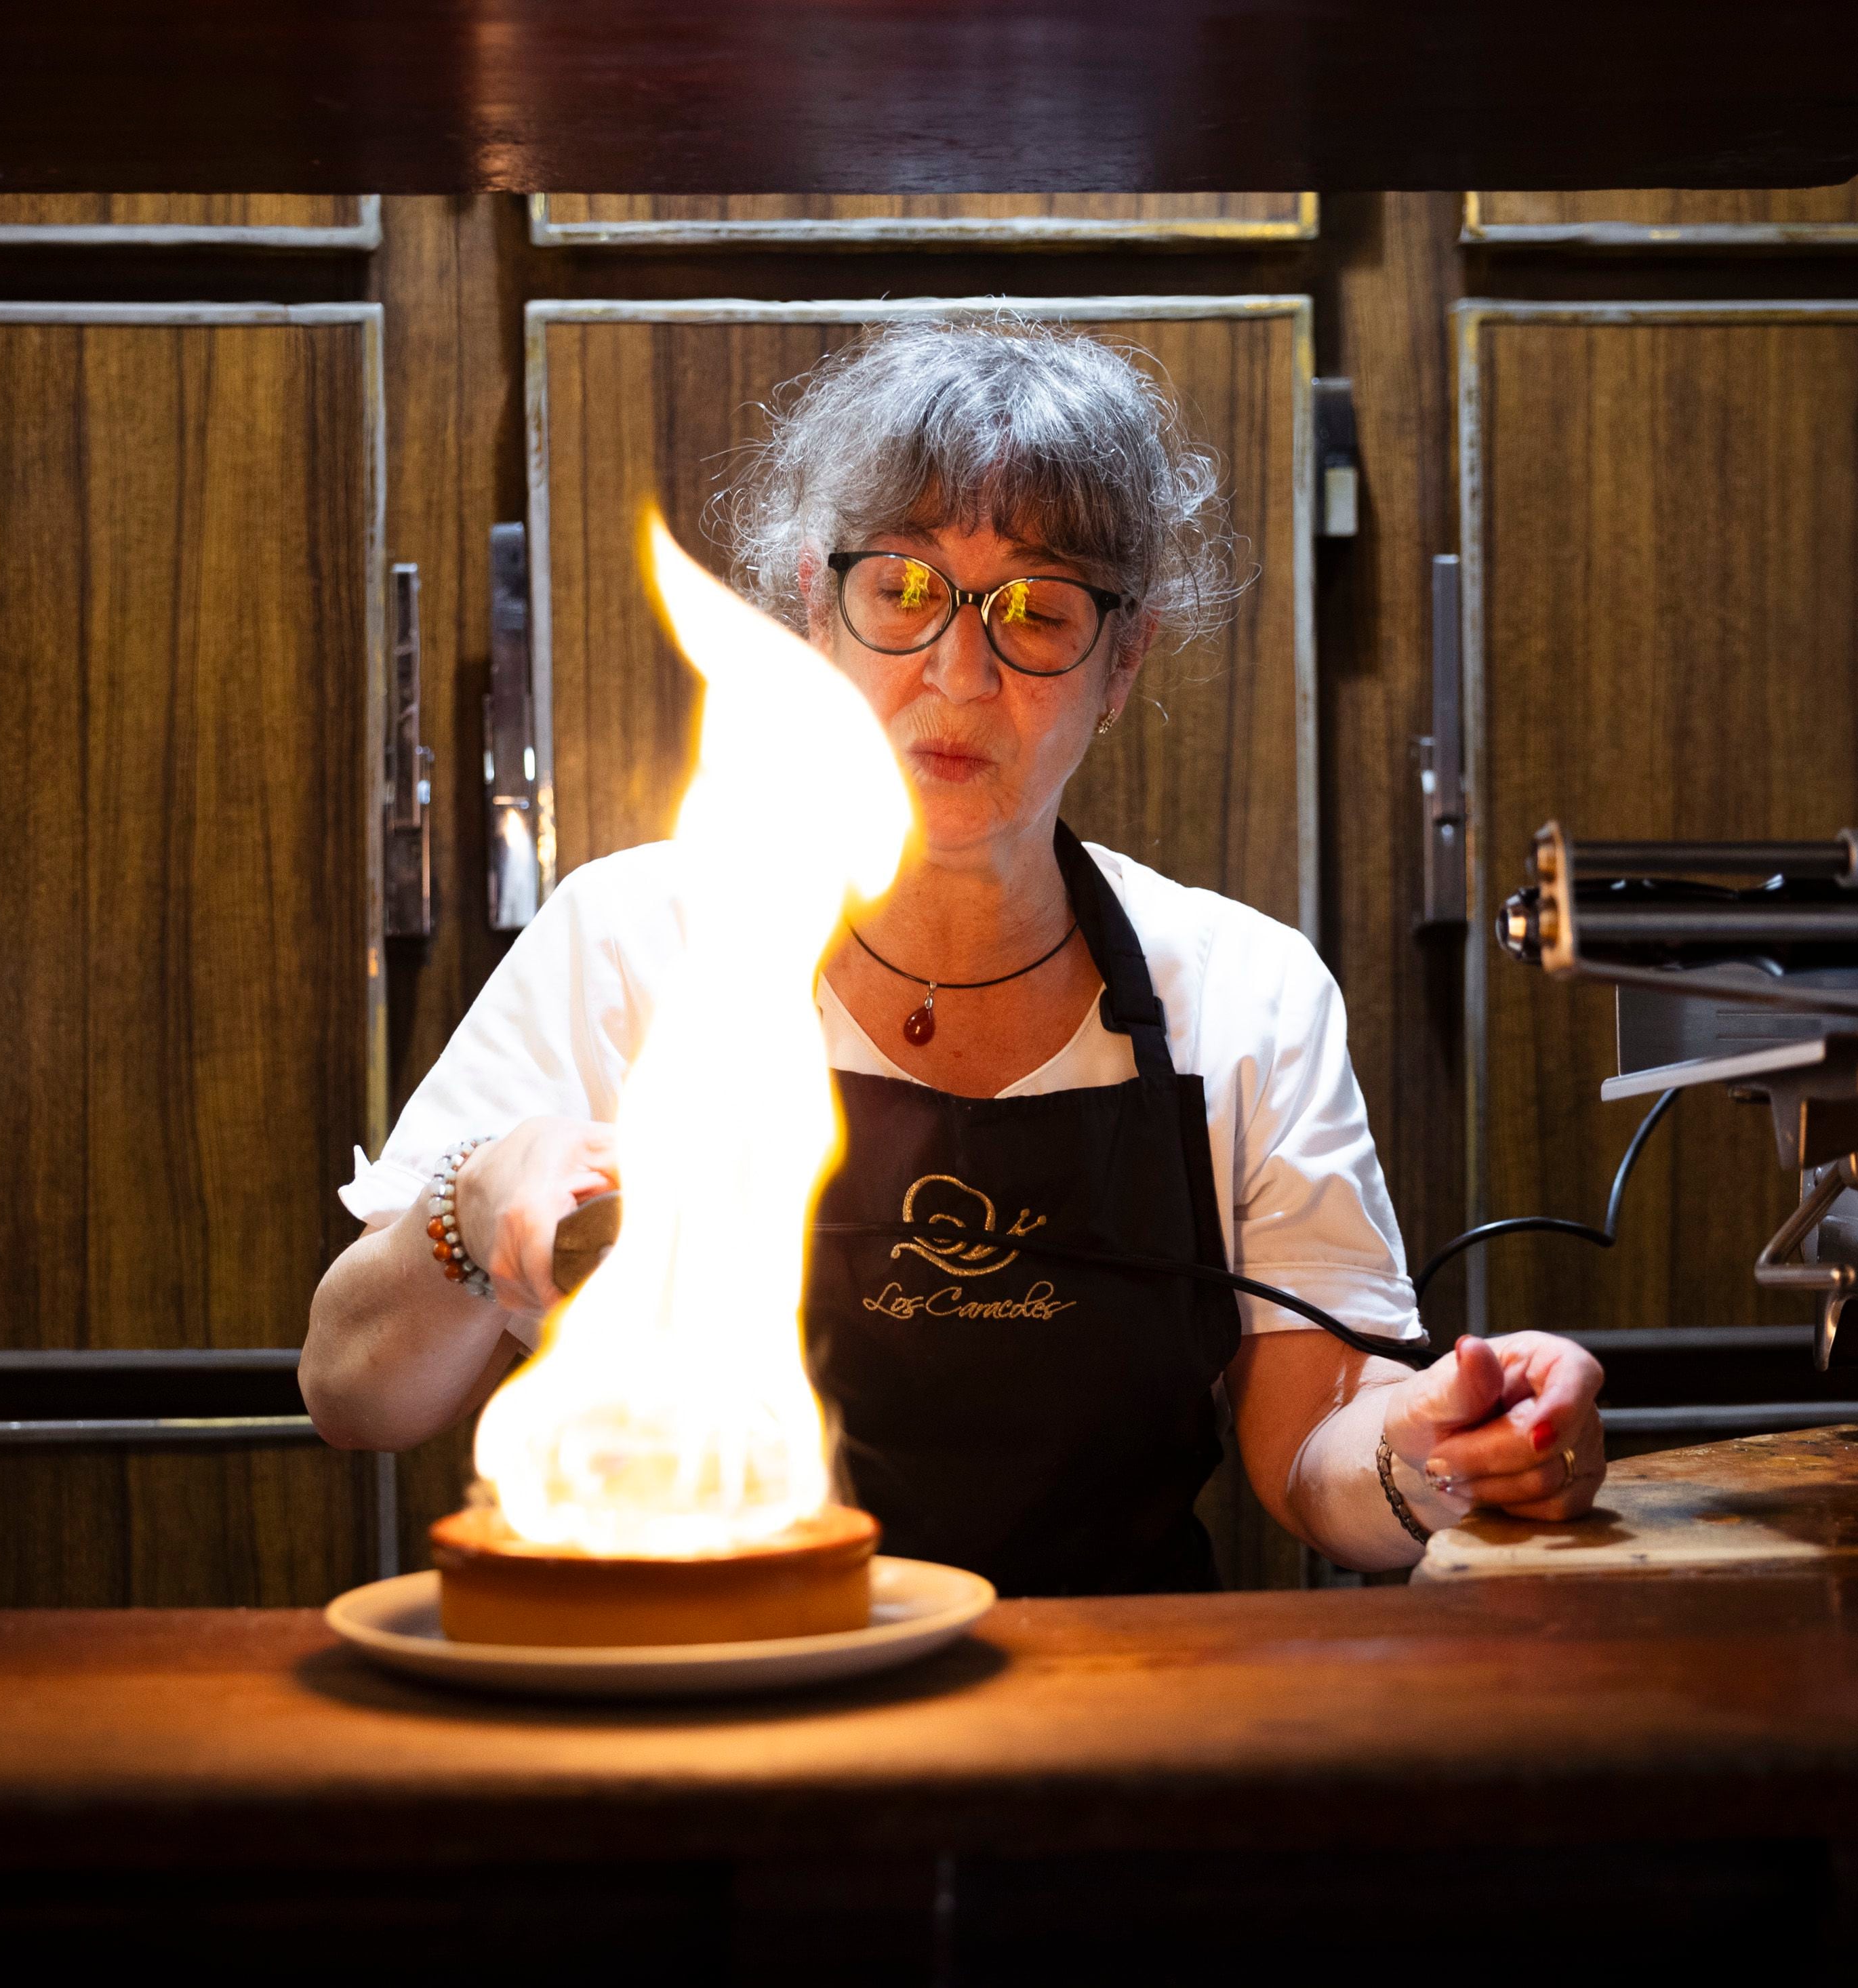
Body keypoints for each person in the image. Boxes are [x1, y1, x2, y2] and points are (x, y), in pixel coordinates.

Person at [301, 320, 1604, 1589]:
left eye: (1037, 610)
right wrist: (469, 1215)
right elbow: (354, 1393)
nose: (960, 669)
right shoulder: (631, 942)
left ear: (1123, 657)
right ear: (818, 606)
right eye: (906, 588)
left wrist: (1440, 1456)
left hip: (1109, 1735)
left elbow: (1318, 1453)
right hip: (722, 1713)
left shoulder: (1247, 993)